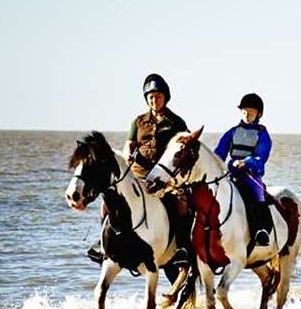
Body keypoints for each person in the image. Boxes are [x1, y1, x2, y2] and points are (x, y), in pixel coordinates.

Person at [88, 73, 192, 264]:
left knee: (181, 202)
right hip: (137, 174)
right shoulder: (138, 122)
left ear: (165, 98)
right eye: (151, 97)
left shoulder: (176, 122)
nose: (154, 100)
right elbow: (129, 143)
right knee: (107, 201)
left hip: (163, 176)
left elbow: (184, 148)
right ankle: (104, 245)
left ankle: (182, 247)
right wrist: (128, 153)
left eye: (158, 96)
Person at [214, 93, 273, 247]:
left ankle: (261, 230)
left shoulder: (262, 133)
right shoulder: (232, 132)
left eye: (251, 111)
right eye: (244, 110)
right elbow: (219, 153)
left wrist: (247, 162)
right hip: (232, 173)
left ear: (258, 113)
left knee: (257, 194)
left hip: (250, 175)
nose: (247, 113)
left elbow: (262, 155)